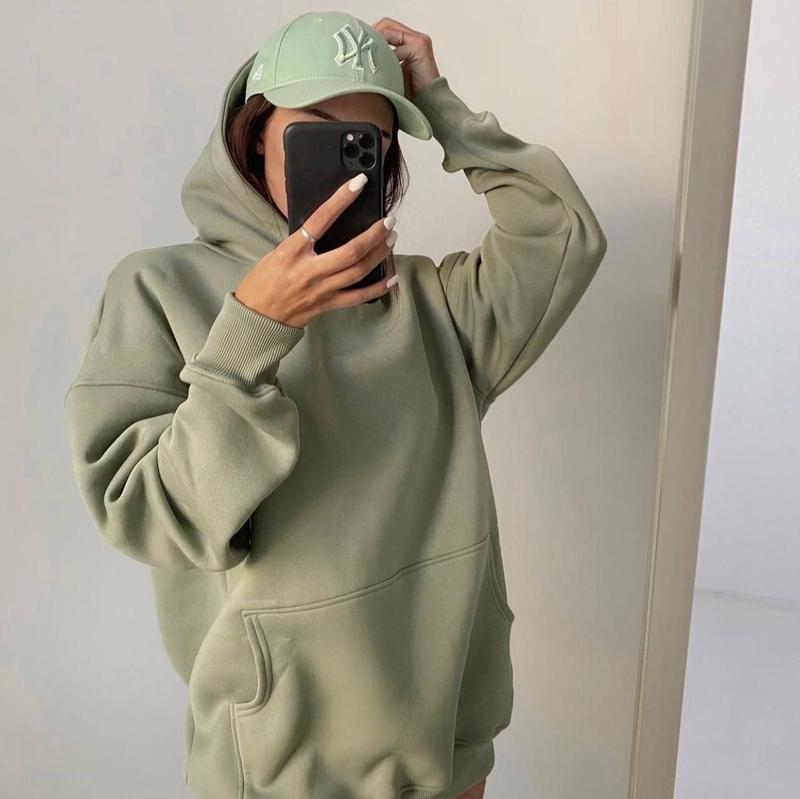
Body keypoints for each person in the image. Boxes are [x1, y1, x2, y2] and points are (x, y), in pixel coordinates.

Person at [64, 10, 607, 799]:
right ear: (254, 133)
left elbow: (562, 233)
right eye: (315, 128)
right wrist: (254, 329)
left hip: (445, 748)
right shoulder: (156, 289)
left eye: (370, 141)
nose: (347, 160)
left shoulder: (437, 307)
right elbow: (146, 512)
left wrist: (442, 105)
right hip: (275, 767)